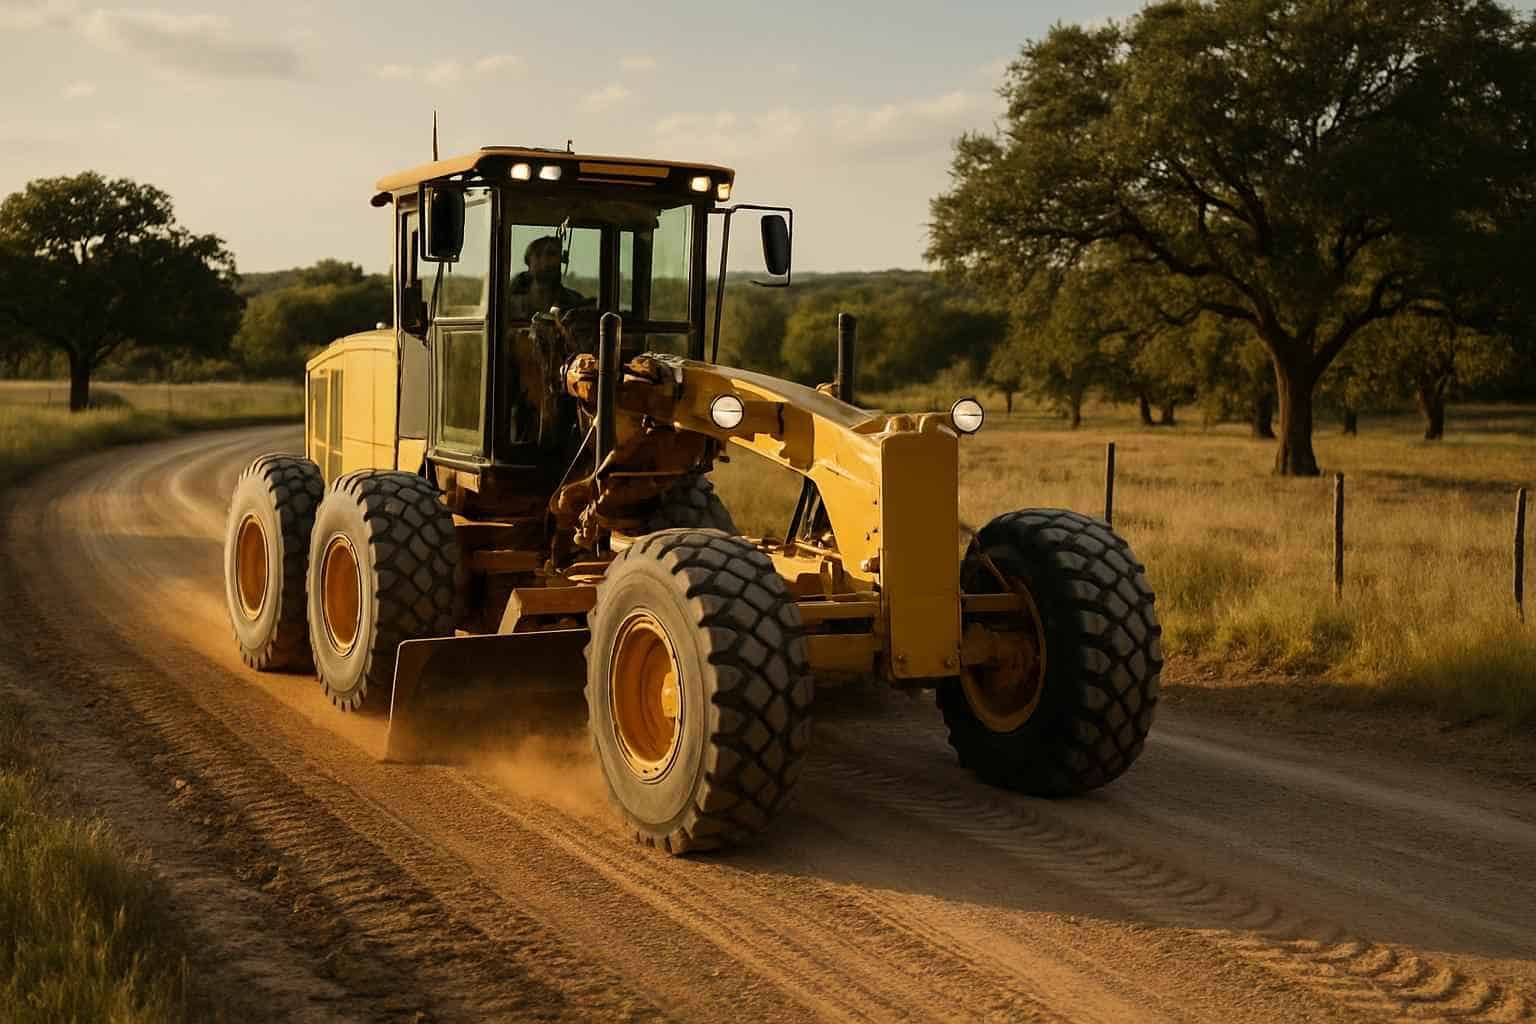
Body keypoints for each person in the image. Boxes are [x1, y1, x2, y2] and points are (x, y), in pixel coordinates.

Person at [505, 235, 588, 319]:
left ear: (561, 260)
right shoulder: (510, 305)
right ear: (529, 262)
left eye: (551, 254)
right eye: (538, 254)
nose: (545, 260)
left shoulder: (575, 303)